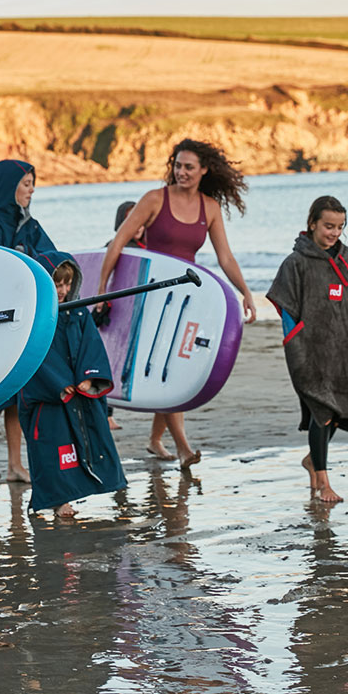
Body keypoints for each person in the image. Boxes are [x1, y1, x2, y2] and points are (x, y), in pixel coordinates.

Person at [98, 138, 257, 471]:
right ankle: (184, 448)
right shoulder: (156, 199)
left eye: (188, 167)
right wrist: (103, 290)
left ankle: (156, 440)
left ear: (203, 170)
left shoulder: (209, 208)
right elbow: (119, 243)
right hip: (153, 294)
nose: (181, 172)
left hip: (188, 298)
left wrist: (245, 291)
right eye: (177, 165)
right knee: (166, 368)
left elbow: (224, 256)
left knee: (172, 368)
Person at [266, 195, 348, 503]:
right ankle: (323, 483)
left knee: (336, 411)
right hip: (309, 350)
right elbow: (286, 307)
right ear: (312, 224)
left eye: (339, 227)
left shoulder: (345, 259)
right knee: (321, 411)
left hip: (343, 349)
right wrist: (295, 343)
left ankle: (312, 462)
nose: (333, 233)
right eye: (328, 226)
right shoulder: (295, 263)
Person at [0, 159, 57, 482]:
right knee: (4, 389)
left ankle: (16, 465)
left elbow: (50, 256)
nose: (32, 190)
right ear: (9, 186)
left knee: (21, 391)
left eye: (33, 183)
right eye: (26, 183)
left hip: (25, 316)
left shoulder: (29, 224)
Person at [18, 252, 127, 517]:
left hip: (81, 391)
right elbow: (34, 357)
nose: (64, 291)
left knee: (92, 442)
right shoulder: (34, 319)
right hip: (49, 397)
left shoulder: (79, 312)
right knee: (53, 450)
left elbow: (92, 346)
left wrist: (89, 377)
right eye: (57, 284)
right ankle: (58, 501)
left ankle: (104, 485)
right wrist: (58, 383)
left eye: (68, 284)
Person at [101, 200, 146, 431]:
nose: (137, 224)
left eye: (140, 218)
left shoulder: (146, 247)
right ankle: (106, 413)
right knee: (112, 361)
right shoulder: (114, 245)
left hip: (137, 312)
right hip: (116, 311)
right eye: (131, 219)